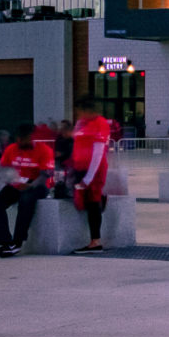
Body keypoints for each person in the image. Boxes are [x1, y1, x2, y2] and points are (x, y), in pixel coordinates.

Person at [0, 123, 54, 257]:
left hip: (37, 184)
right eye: (19, 138)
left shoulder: (44, 150)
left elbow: (45, 175)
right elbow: (4, 169)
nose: (20, 141)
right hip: (17, 183)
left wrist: (30, 185)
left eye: (24, 138)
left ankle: (17, 242)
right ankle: (4, 242)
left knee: (25, 201)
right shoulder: (11, 149)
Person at [68, 96, 116, 253]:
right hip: (79, 168)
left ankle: (95, 241)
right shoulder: (81, 123)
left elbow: (98, 152)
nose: (79, 115)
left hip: (94, 171)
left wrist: (88, 178)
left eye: (80, 111)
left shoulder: (100, 123)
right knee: (80, 201)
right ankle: (101, 200)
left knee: (92, 202)